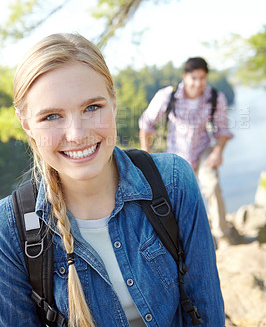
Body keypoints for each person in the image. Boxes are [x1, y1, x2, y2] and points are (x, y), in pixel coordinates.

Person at [0, 35, 224, 327]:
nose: (77, 134)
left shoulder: (174, 182)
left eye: (92, 107)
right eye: (52, 116)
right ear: (26, 123)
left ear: (114, 101)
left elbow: (206, 314)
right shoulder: (10, 230)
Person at [139, 57, 234, 247]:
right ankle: (191, 239)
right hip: (176, 153)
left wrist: (218, 151)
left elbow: (222, 130)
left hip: (203, 149)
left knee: (212, 185)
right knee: (181, 200)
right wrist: (145, 155)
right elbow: (147, 124)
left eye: (202, 78)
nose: (198, 83)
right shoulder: (168, 96)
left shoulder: (215, 97)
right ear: (185, 76)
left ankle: (222, 233)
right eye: (194, 78)